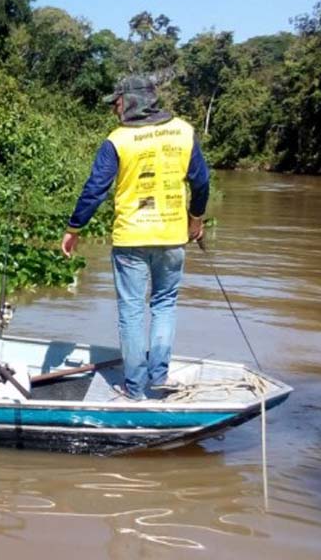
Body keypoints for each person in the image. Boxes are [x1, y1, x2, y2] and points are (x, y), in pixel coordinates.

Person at [61, 75, 210, 401]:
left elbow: (95, 189)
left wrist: (74, 228)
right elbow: (201, 182)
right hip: (172, 236)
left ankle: (134, 386)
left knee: (131, 311)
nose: (114, 109)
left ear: (131, 101)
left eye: (116, 102)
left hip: (131, 238)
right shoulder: (184, 132)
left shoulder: (118, 140)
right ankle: (158, 378)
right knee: (164, 306)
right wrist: (195, 218)